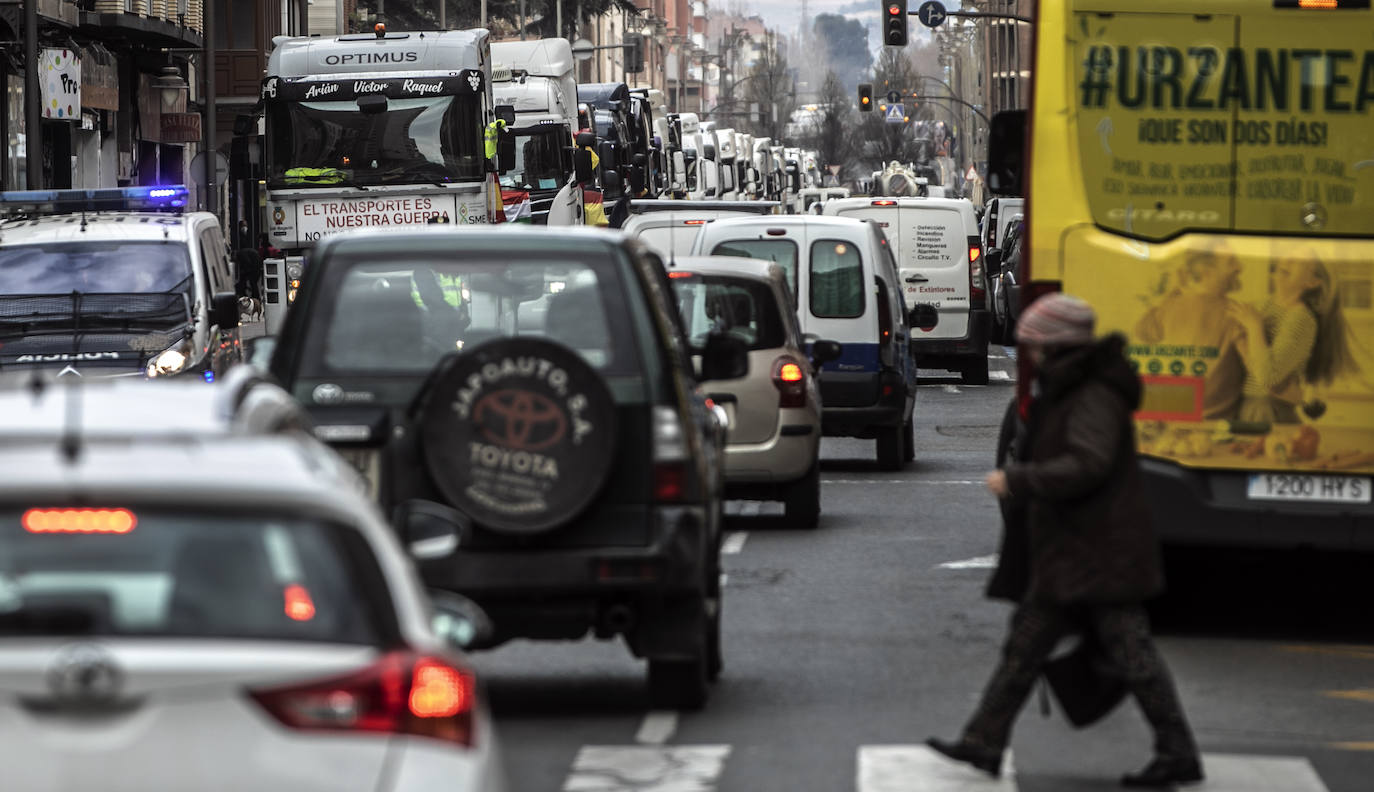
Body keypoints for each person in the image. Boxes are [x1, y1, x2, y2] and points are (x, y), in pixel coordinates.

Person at [928, 294, 1203, 789]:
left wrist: (1022, 479)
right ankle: (982, 741)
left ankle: (1177, 749)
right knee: (1025, 649)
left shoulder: (1092, 392)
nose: (1028, 356)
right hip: (1075, 548)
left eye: (1034, 346)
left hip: (1097, 548)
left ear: (1056, 347)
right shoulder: (1072, 385)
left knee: (1132, 655)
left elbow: (1088, 463)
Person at [1231, 248, 1359, 424]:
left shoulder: (1301, 319)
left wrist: (1253, 329)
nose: (1287, 259)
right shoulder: (1259, 307)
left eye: (1299, 261)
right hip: (1246, 406)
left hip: (1268, 411)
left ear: (1312, 282)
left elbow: (1268, 377)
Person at [1134, 241, 1248, 420]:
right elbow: (1262, 375)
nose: (1239, 267)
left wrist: (1169, 295)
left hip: (1173, 416)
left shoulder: (1171, 304)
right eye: (1231, 262)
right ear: (1206, 273)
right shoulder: (1237, 315)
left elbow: (1142, 333)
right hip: (1216, 421)